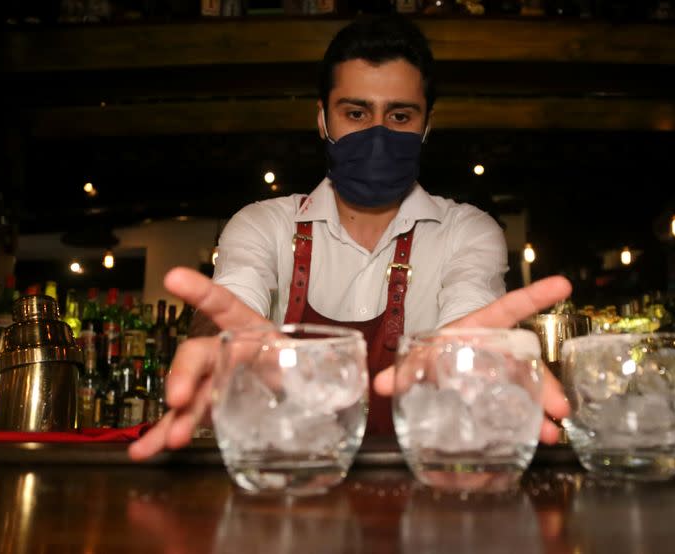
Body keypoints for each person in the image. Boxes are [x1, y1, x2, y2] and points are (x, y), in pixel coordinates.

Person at [129, 15, 571, 461]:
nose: (377, 135)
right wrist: (222, 348)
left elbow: (471, 306)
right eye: (356, 113)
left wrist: (473, 355)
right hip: (289, 490)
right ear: (323, 119)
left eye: (399, 115)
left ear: (426, 126)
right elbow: (233, 299)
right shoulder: (264, 225)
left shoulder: (466, 231)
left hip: (420, 499)